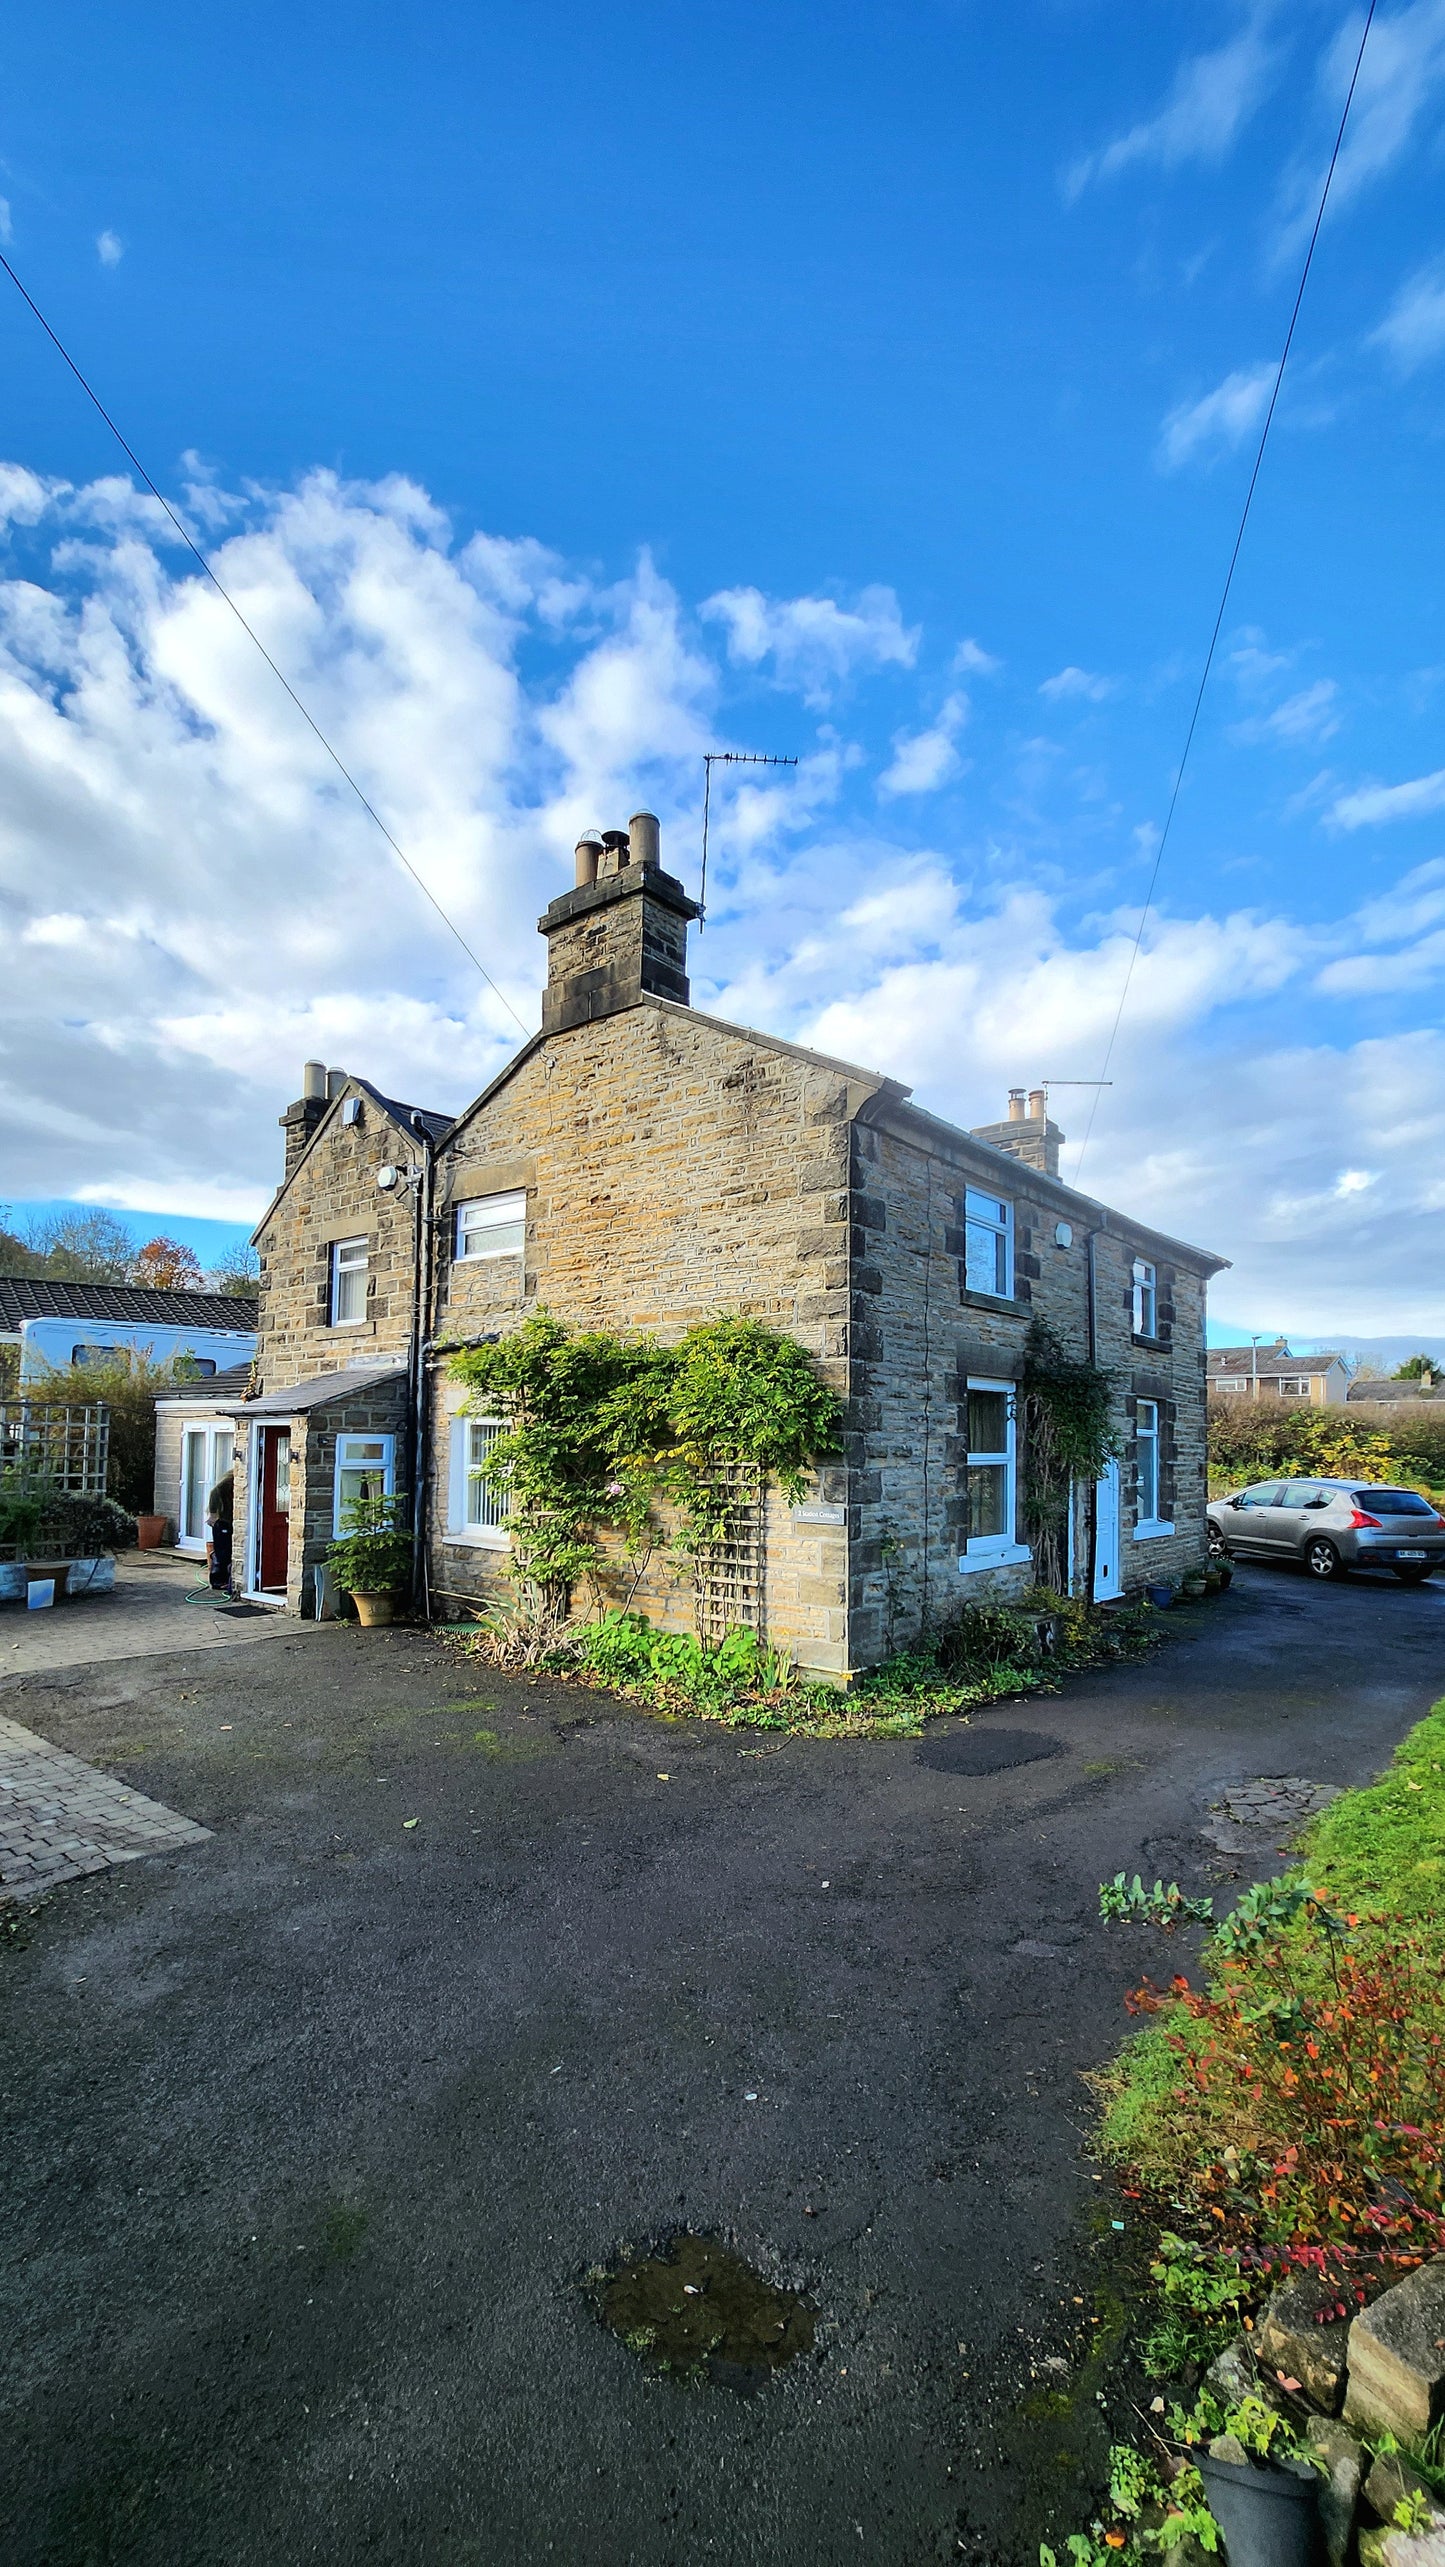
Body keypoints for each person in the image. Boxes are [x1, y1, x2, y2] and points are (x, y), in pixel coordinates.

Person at [207, 1463, 235, 1594]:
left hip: (229, 1521)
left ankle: (224, 1580)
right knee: (222, 1553)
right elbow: (214, 1492)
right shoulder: (229, 1481)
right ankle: (218, 1582)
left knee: (226, 1551)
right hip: (222, 1521)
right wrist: (213, 1514)